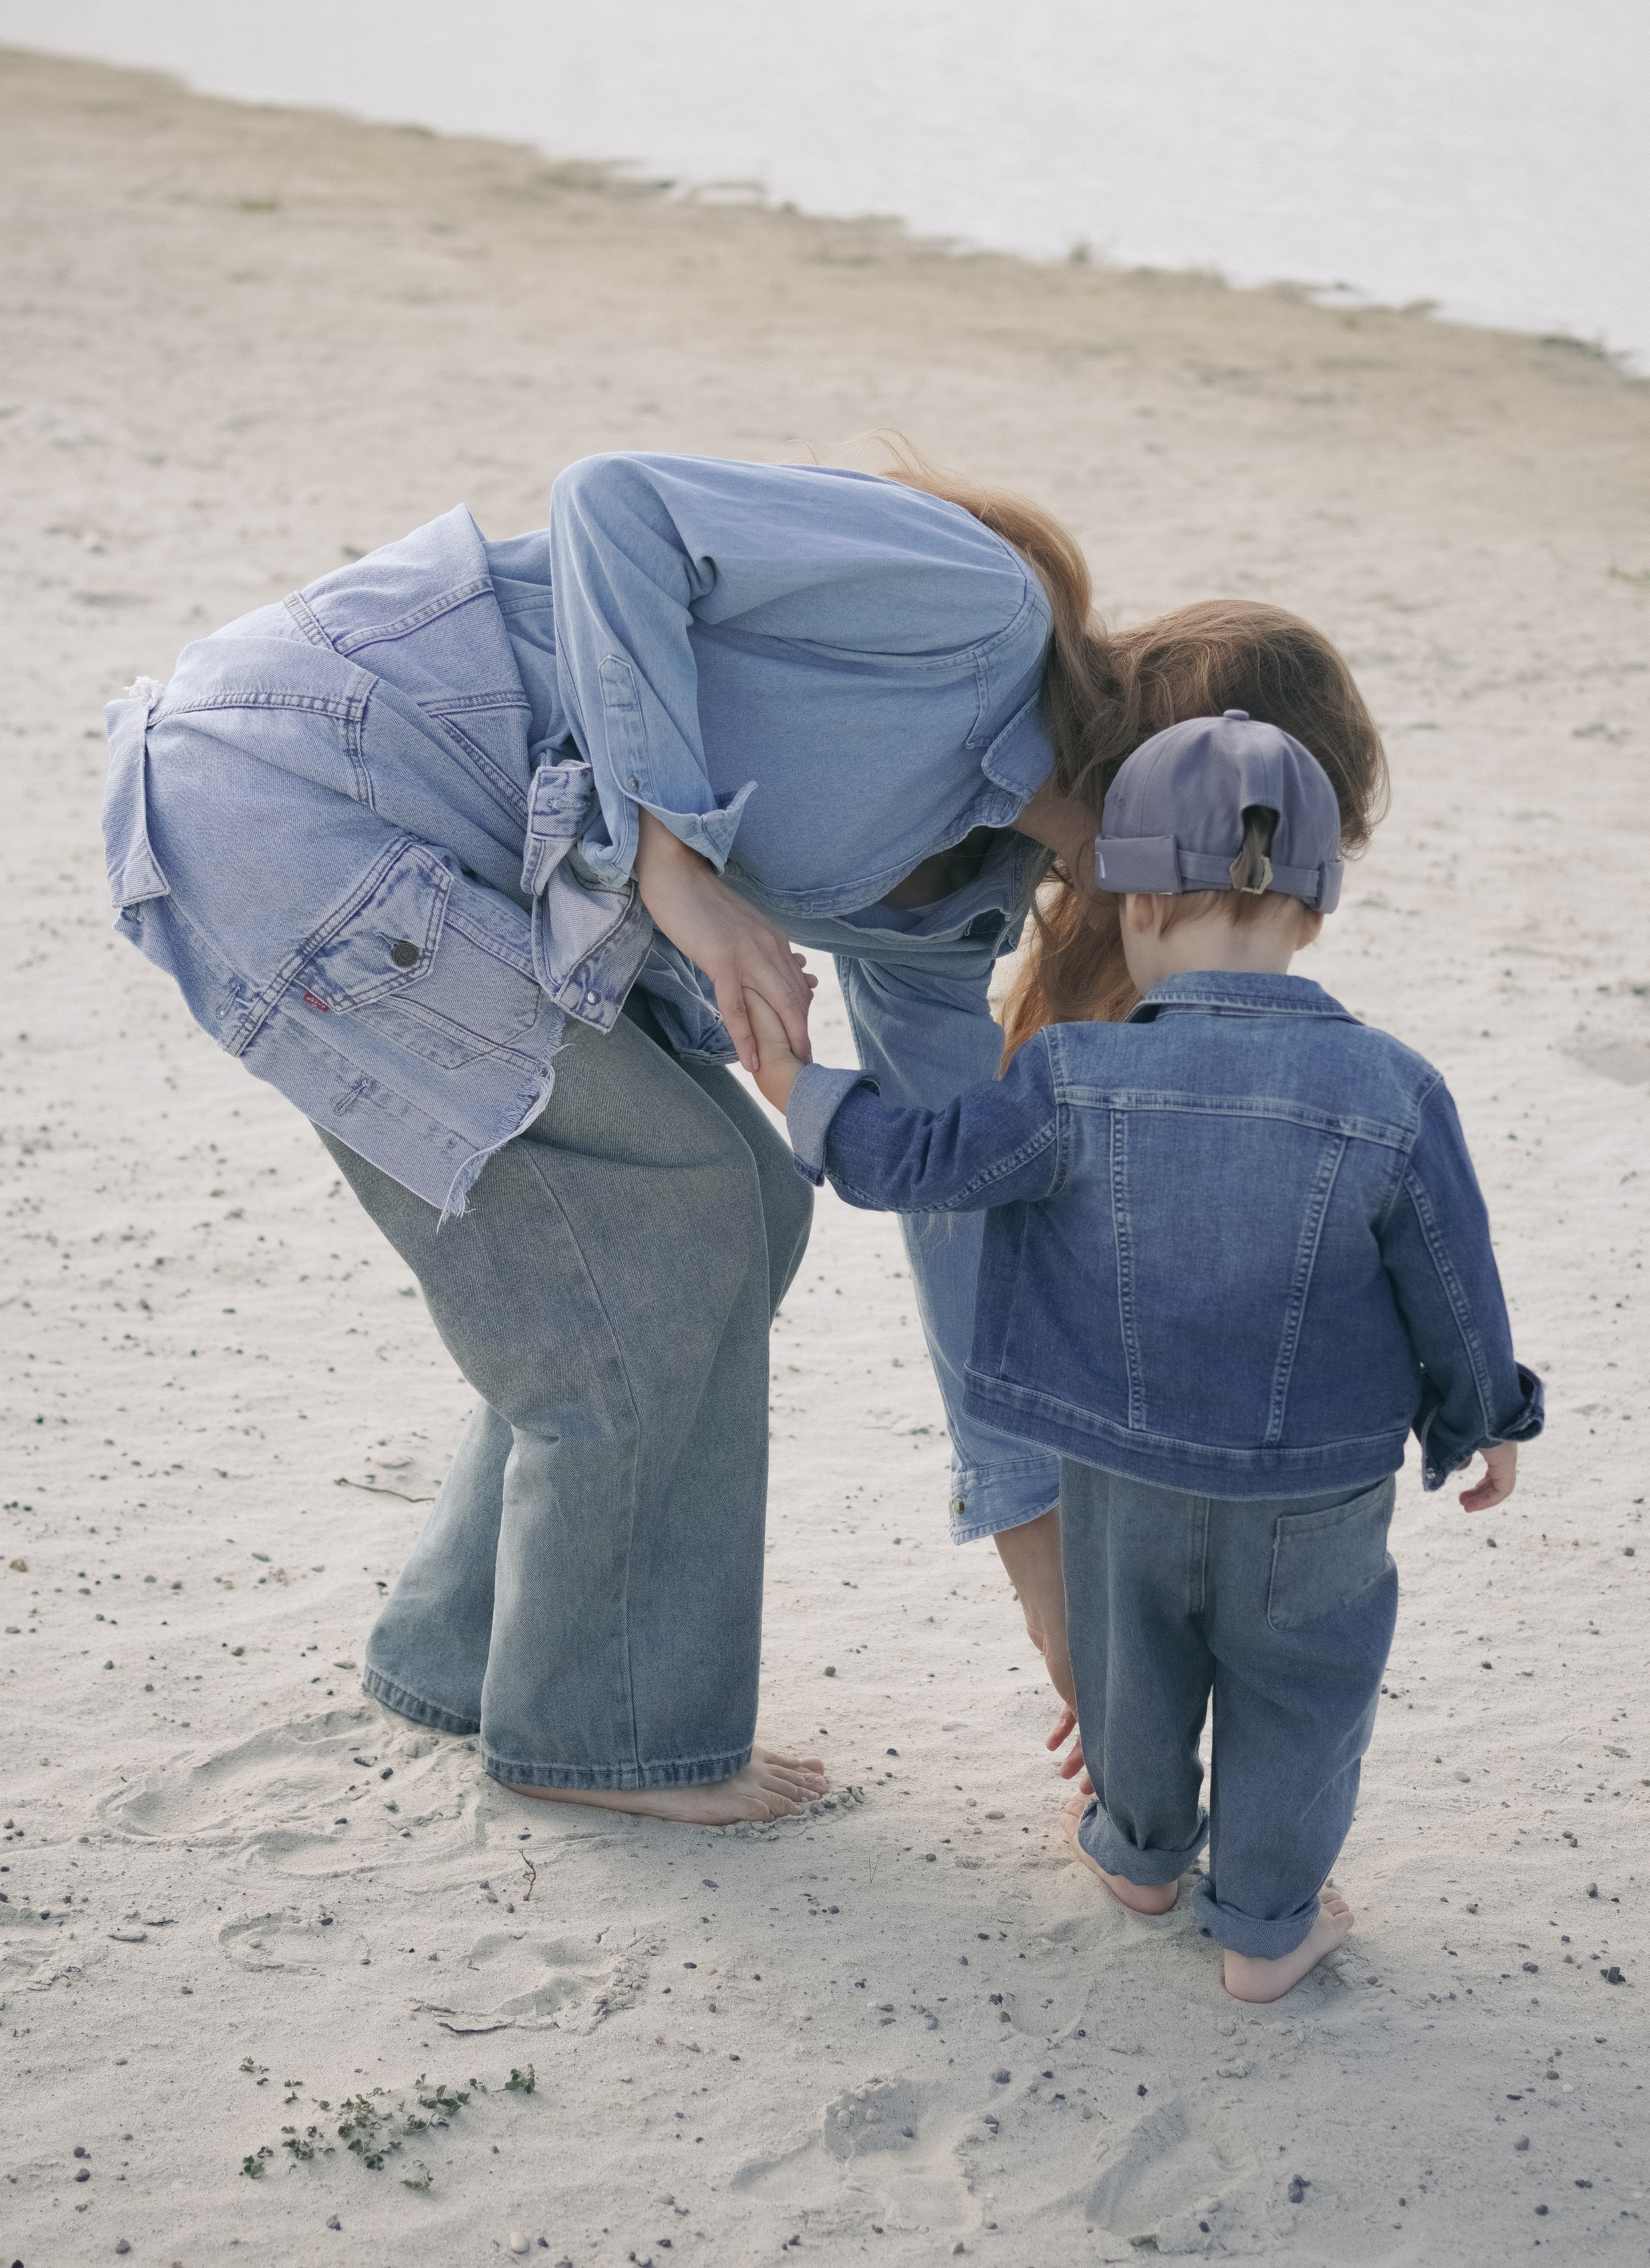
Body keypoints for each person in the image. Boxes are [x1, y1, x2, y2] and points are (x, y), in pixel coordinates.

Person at [101, 443, 1381, 1826]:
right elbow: (614, 503)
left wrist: (1044, 1584)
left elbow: (962, 1224)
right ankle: (598, 1725)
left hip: (402, 847)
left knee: (736, 1214)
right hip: (306, 780)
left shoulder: (960, 898)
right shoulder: (973, 613)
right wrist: (675, 857)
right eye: (1259, 887)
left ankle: (462, 1651)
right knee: (679, 1210)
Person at [752, 705, 1543, 1993]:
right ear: (1313, 914)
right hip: (1314, 1486)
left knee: (1132, 1664)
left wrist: (803, 1085)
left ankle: (1138, 1851)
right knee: (1304, 1688)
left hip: (1120, 1462)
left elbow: (924, 1163)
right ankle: (1272, 1927)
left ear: (1129, 904)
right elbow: (1454, 1279)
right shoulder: (1393, 1088)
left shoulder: (1071, 1075)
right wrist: (1485, 1419)